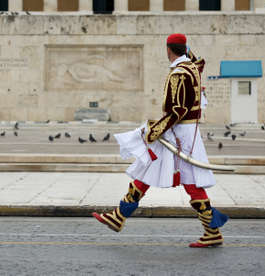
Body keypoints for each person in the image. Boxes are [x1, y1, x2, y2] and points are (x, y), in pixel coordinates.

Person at [92, 33, 228, 248]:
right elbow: (199, 61)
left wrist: (155, 131)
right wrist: (185, 48)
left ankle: (212, 231)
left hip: (179, 134)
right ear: (183, 49)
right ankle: (119, 215)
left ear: (168, 49)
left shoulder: (179, 74)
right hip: (184, 132)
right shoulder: (192, 68)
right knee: (148, 167)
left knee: (190, 183)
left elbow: (178, 110)